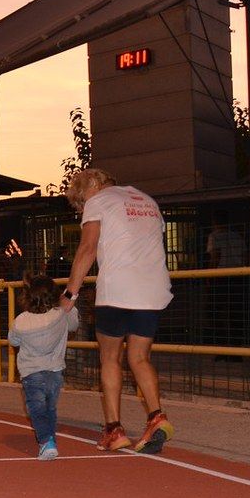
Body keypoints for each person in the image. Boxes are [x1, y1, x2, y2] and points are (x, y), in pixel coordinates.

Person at [61, 168, 175, 453]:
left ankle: (114, 429)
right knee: (139, 358)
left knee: (110, 357)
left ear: (94, 184)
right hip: (153, 290)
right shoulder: (147, 200)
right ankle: (157, 417)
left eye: (80, 199)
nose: (81, 206)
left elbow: (87, 249)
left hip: (118, 289)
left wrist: (69, 294)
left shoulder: (98, 201)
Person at [9, 273, 81, 460]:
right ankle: (50, 440)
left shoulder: (21, 320)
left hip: (31, 372)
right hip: (55, 371)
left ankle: (46, 441)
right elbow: (74, 325)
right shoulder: (61, 315)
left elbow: (13, 341)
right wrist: (69, 304)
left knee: (36, 408)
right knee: (50, 407)